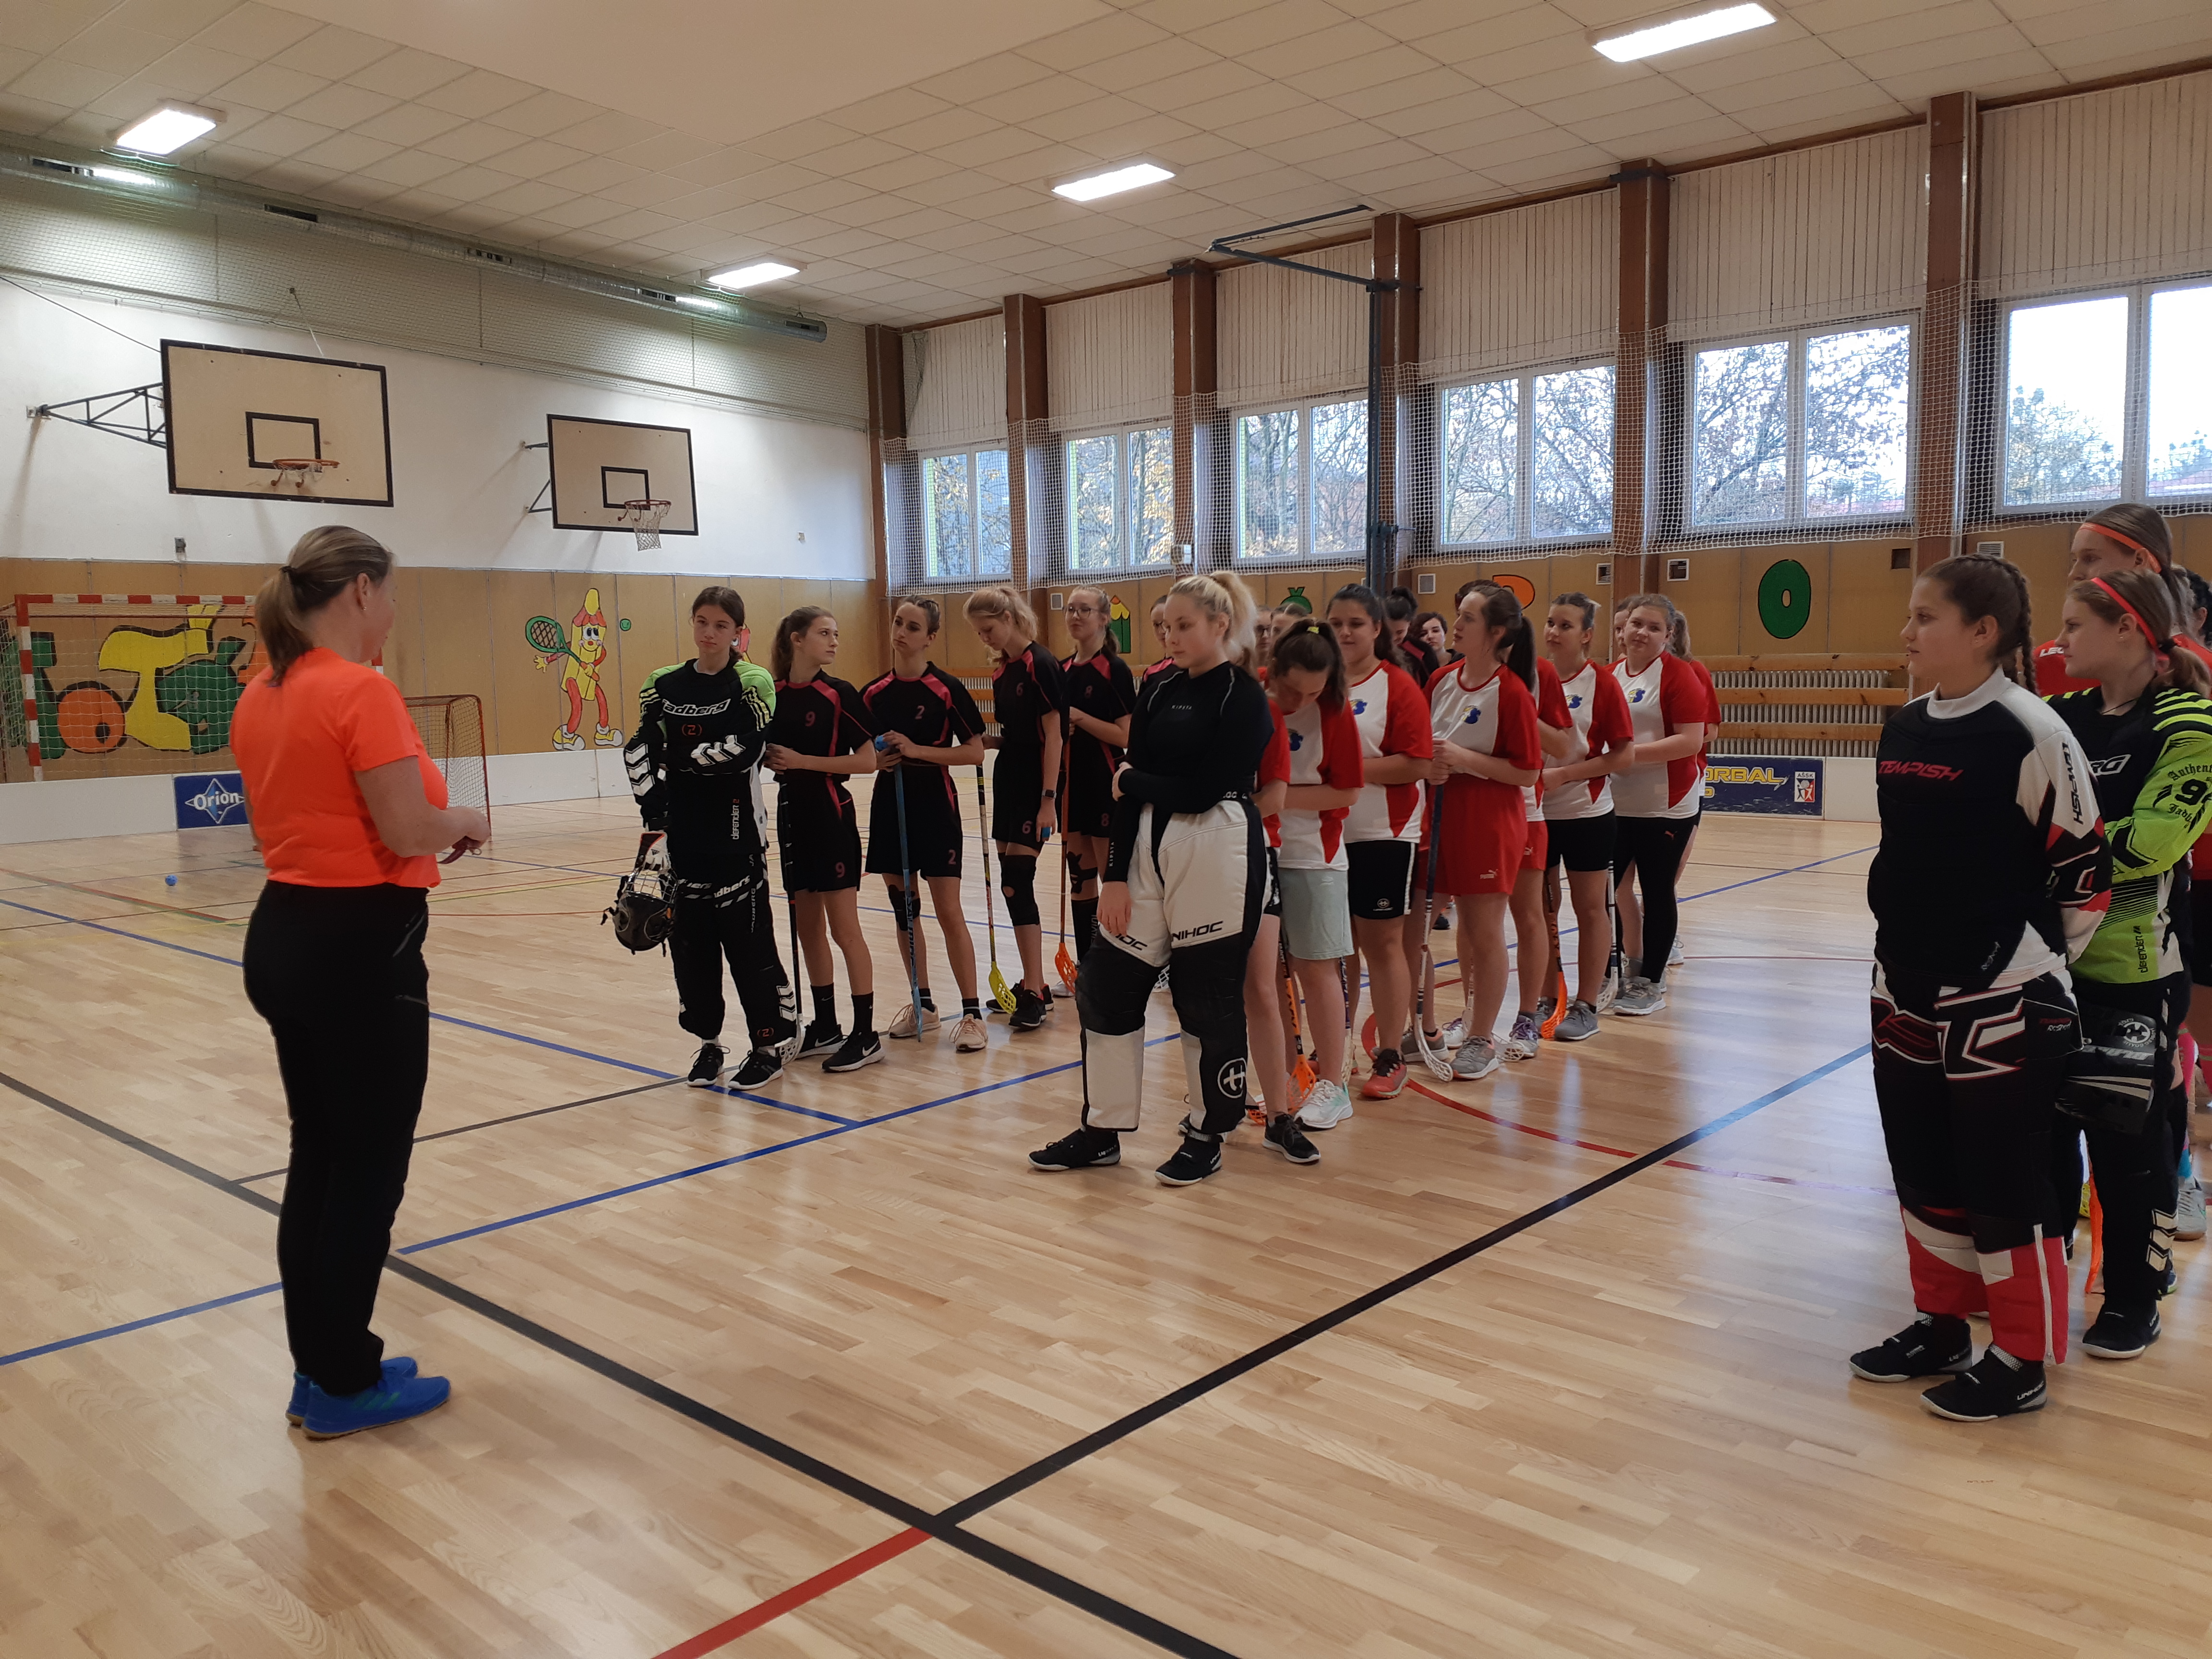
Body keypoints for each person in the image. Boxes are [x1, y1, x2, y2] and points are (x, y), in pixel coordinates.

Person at [233, 526, 489, 1439]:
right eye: (392, 594)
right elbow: (408, 827)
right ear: (360, 593)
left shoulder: (263, 690)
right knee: (367, 1172)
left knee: (320, 1157)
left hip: (286, 933)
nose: (393, 612)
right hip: (358, 949)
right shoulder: (358, 689)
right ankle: (344, 1380)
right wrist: (467, 820)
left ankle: (321, 1365)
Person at [1853, 553, 2109, 1423]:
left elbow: (2085, 876)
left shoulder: (2032, 730)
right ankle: (1941, 1327)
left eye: (1924, 617)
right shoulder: (1903, 728)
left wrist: (2019, 958)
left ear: (1983, 632)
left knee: (2005, 1183)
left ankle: (2021, 1357)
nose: (1906, 632)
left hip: (2004, 995)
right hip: (1902, 986)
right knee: (1922, 1166)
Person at [1029, 571, 1277, 1185]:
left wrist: (1132, 782)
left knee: (1205, 997)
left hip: (1218, 852)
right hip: (1144, 851)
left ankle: (1207, 1133)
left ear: (1220, 625)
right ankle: (1102, 1130)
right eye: (1166, 626)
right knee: (1105, 988)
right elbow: (1133, 788)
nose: (1171, 636)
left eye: (1185, 626)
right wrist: (1115, 877)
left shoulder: (1243, 696)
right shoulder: (1159, 687)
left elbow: (1202, 790)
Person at [2046, 569, 2212, 1358]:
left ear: (2127, 630)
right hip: (2046, 960)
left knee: (2126, 1144)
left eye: (2074, 625)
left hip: (2134, 966)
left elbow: (2151, 844)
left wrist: (2051, 847)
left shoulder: (2189, 721)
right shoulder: (2061, 715)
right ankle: (2038, 1275)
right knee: (2043, 1133)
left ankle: (2133, 1296)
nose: (2058, 642)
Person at [627, 586, 801, 1089]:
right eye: (702, 622)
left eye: (721, 625)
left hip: (737, 831)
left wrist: (678, 758)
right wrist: (654, 814)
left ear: (738, 633)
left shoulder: (752, 681)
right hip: (680, 833)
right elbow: (640, 749)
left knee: (749, 946)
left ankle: (768, 1045)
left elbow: (743, 750)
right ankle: (709, 1044)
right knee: (690, 949)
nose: (709, 633)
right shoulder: (663, 684)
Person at [1420, 586, 1542, 1082]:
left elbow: (1528, 771)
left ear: (1495, 633)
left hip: (1489, 821)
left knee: (1482, 930)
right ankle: (1424, 1030)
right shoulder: (1440, 680)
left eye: (1468, 618)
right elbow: (1423, 749)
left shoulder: (1511, 691)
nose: (1456, 625)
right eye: (1459, 614)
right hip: (1436, 817)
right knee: (1417, 929)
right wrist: (1429, 766)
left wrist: (1463, 759)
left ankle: (1481, 1039)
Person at [862, 598, 990, 1052]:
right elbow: (861, 752)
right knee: (905, 910)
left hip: (936, 805)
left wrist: (917, 750)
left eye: (913, 627)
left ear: (930, 638)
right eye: (898, 623)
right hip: (889, 805)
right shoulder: (873, 693)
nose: (902, 632)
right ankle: (924, 1005)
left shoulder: (946, 689)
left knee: (948, 910)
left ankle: (972, 1014)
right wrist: (877, 759)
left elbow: (974, 751)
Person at [1323, 585, 1433, 1102]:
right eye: (1336, 624)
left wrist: (1348, 771)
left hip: (1384, 833)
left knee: (1382, 944)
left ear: (1376, 630)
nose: (1345, 633)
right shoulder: (1316, 684)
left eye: (1355, 624)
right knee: (1332, 947)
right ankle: (1335, 1048)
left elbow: (1417, 763)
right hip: (1324, 836)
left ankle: (1390, 1053)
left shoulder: (1397, 685)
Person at [764, 605, 881, 1073]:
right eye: (824, 633)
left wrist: (803, 762)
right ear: (797, 639)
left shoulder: (840, 693)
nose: (834, 642)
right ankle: (827, 1025)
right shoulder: (771, 693)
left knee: (844, 930)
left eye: (836, 633)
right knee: (807, 928)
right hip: (792, 819)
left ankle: (866, 1034)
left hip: (832, 817)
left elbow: (868, 761)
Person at [1268, 618, 1366, 1129]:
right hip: (1258, 853)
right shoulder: (1252, 697)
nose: (1301, 701)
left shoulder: (1335, 712)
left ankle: (1334, 1084)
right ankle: (1284, 1074)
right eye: (1292, 690)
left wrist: (1277, 798)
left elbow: (1347, 791)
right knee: (1266, 975)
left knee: (1316, 968)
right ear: (1274, 670)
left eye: (1313, 692)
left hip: (1314, 856)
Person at [966, 586, 1067, 1032]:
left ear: (1008, 618)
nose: (984, 638)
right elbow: (1019, 733)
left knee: (1017, 881)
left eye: (988, 628)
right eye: (978, 632)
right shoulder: (1003, 670)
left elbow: (1055, 736)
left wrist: (1049, 799)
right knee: (1011, 885)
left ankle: (1036, 990)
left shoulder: (1040, 664)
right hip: (1009, 777)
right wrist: (994, 741)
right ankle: (1032, 981)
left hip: (1035, 785)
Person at [1539, 593, 1635, 1041]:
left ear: (1586, 635)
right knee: (1541, 910)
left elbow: (1623, 755)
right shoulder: (1531, 679)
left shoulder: (1602, 683)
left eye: (1565, 626)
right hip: (1535, 815)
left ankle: (1587, 1003)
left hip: (1586, 813)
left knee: (1590, 908)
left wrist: (1564, 775)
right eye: (1550, 623)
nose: (1553, 633)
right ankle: (1545, 996)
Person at [1607, 594, 1708, 1018]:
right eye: (1636, 624)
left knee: (1656, 888)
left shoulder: (1680, 675)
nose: (1641, 633)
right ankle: (1622, 969)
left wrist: (1627, 756)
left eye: (1653, 627)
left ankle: (1651, 980)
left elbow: (1691, 740)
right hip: (1615, 803)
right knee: (1610, 891)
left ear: (1669, 634)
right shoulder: (1609, 675)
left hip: (1665, 805)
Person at [1246, 679, 1318, 1161]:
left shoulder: (1261, 710)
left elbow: (1273, 797)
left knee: (1261, 987)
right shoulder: (1170, 697)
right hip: (1195, 859)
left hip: (1254, 854)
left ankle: (1277, 1117)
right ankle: (1213, 1107)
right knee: (1207, 991)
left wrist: (1217, 819)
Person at [1060, 585, 1135, 969]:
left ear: (1104, 619)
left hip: (1105, 784)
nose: (1075, 616)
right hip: (1072, 787)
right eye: (1070, 609)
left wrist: (1080, 718)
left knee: (1113, 880)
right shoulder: (1061, 670)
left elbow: (1126, 736)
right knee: (1081, 878)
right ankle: (1088, 966)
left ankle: (1123, 964)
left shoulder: (1114, 670)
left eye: (1084, 610)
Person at [1386, 586, 1442, 685]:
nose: (1393, 638)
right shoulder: (1373, 648)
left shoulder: (1423, 651)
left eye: (1400, 632)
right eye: (1388, 632)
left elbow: (1434, 686)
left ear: (1410, 624)